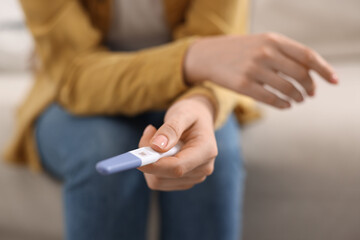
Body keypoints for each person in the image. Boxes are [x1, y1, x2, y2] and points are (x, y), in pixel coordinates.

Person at [4, 0, 337, 240]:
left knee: (212, 154)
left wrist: (201, 102)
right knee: (102, 149)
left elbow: (219, 52)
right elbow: (75, 74)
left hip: (189, 88)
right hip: (74, 97)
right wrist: (193, 57)